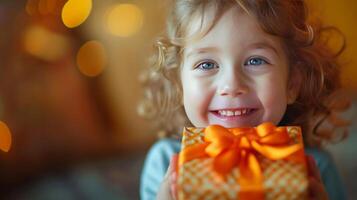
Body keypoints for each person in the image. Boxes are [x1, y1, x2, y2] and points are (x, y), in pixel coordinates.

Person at [139, 0, 350, 199]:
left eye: (255, 60)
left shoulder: (315, 167)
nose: (231, 86)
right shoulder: (166, 162)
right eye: (206, 64)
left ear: (292, 84)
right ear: (180, 85)